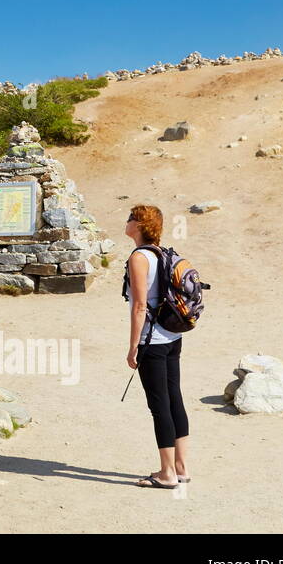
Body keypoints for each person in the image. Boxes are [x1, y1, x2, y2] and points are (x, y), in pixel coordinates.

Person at [124, 204, 190, 489]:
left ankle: (166, 474)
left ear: (138, 225)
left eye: (129, 218)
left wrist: (133, 346)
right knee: (174, 398)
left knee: (159, 405)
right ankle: (181, 468)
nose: (125, 222)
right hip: (173, 336)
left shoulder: (139, 257)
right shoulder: (163, 253)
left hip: (152, 339)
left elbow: (140, 306)